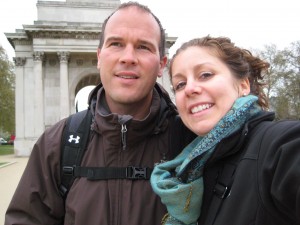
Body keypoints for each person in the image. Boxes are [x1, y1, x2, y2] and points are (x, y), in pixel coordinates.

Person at [5, 2, 195, 225]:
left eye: (143, 46)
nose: (128, 57)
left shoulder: (190, 141)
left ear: (162, 63)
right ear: (99, 56)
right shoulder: (56, 145)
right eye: (116, 43)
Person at [151, 36, 300, 225]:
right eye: (180, 84)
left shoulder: (281, 145)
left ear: (243, 85)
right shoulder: (190, 170)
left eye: (205, 74)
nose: (190, 89)